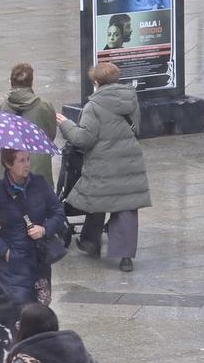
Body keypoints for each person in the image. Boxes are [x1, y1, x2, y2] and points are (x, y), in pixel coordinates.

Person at [56, 62, 150, 273]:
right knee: (126, 207)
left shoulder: (93, 106)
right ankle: (125, 258)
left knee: (97, 200)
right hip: (128, 161)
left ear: (97, 83)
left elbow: (83, 138)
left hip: (103, 164)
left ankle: (90, 241)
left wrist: (65, 124)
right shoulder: (131, 100)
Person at [0, 150, 67, 306]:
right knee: (18, 309)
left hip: (39, 259)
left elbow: (59, 213)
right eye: (21, 161)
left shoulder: (40, 184)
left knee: (41, 308)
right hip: (12, 263)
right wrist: (5, 252)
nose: (27, 164)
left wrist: (44, 229)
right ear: (8, 164)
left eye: (28, 159)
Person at [0, 63, 58, 186]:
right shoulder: (45, 106)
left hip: (7, 169)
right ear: (31, 82)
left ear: (10, 81)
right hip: (38, 170)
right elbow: (50, 136)